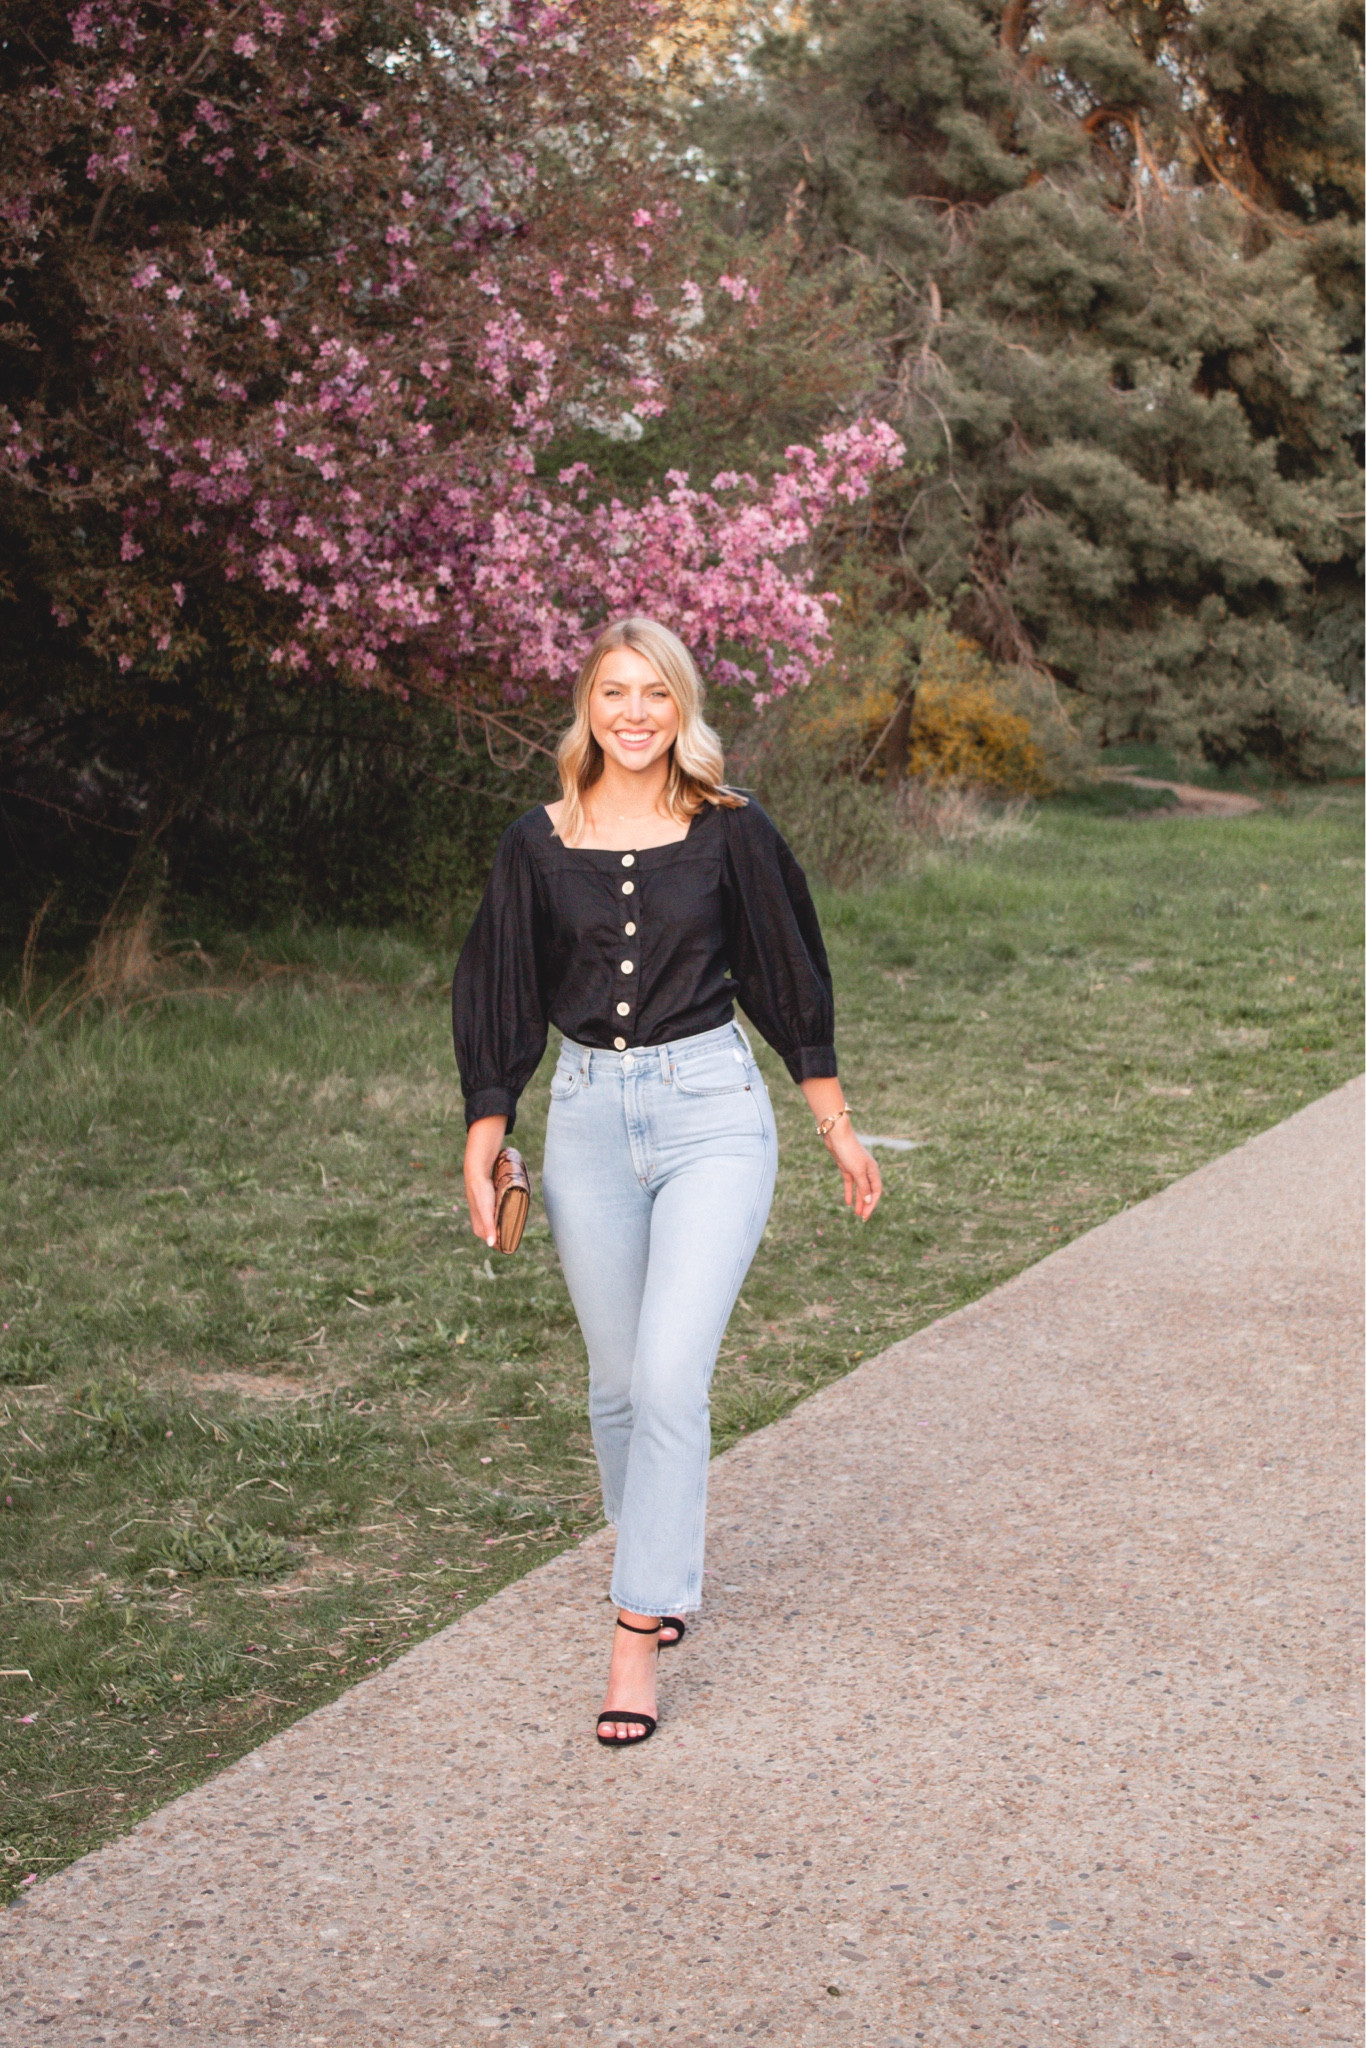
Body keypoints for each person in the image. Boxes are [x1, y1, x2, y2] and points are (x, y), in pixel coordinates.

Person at [451, 615, 881, 1747]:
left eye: (655, 694)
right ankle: (659, 1555)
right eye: (613, 694)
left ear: (683, 709)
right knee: (613, 1386)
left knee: (669, 1377)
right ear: (586, 711)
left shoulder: (732, 832)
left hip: (712, 1115)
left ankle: (635, 1629)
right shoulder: (535, 842)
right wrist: (485, 1129)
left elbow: (791, 974)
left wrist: (832, 1120)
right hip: (589, 1117)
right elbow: (500, 989)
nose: (634, 714)